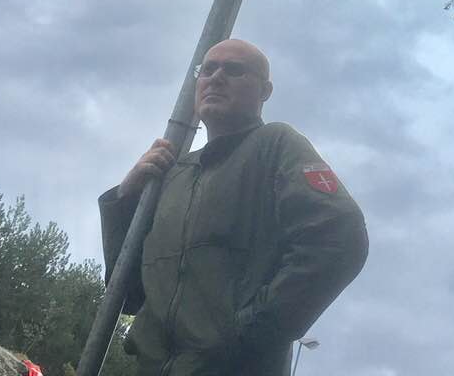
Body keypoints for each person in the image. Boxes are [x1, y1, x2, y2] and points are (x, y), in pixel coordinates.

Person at [99, 39, 368, 376]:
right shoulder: (172, 176)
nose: (216, 77)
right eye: (207, 69)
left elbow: (340, 237)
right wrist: (126, 198)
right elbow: (128, 294)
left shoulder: (274, 145)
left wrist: (250, 332)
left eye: (234, 69)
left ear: (265, 90)